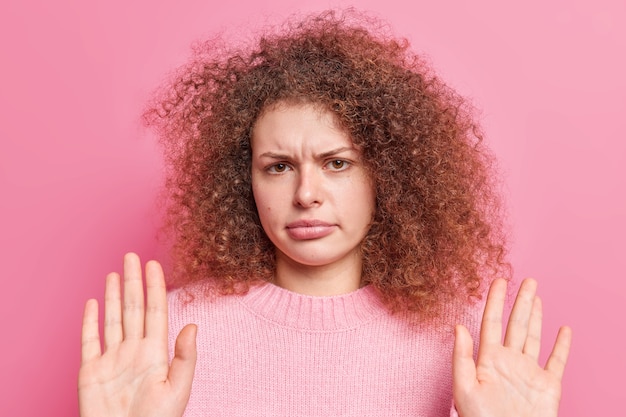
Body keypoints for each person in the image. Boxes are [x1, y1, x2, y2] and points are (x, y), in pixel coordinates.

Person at [78, 9, 572, 417]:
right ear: (242, 180)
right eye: (278, 167)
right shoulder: (161, 337)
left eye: (336, 163)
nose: (305, 194)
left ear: (385, 174)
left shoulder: (471, 344)